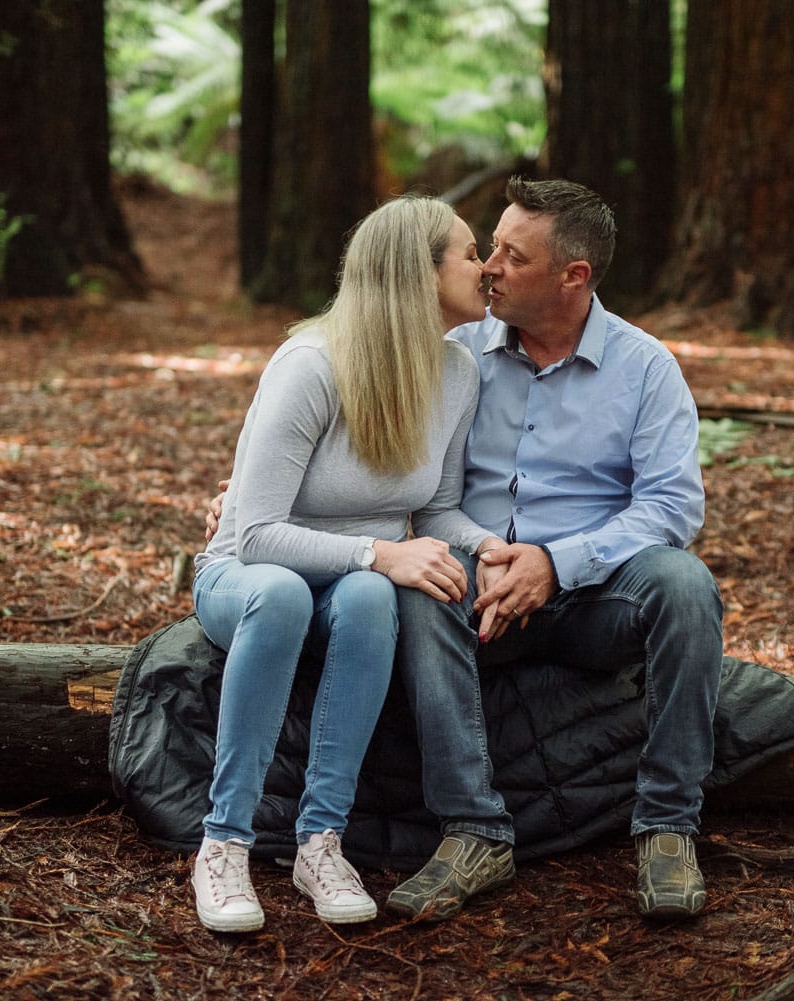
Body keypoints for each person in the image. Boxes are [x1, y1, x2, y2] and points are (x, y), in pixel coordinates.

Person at [382, 177, 722, 922]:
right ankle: (473, 830)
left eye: (513, 254)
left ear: (574, 276)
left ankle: (667, 825)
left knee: (685, 586)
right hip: (479, 584)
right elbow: (401, 475)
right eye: (490, 247)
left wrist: (555, 562)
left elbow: (672, 506)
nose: (488, 267)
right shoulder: (457, 352)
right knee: (419, 585)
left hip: (596, 597)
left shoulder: (644, 367)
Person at [189, 195, 492, 933]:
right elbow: (255, 532)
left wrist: (488, 546)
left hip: (349, 586)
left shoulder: (458, 373)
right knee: (290, 594)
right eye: (470, 253)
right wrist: (381, 551)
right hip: (247, 579)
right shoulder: (311, 364)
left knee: (367, 599)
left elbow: (440, 509)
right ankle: (222, 841)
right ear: (419, 275)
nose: (485, 269)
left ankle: (319, 840)